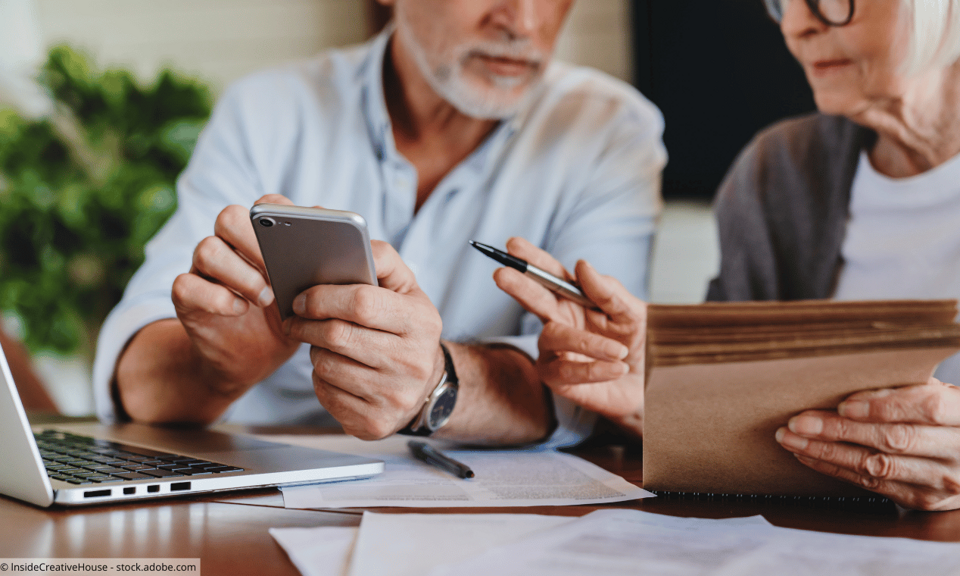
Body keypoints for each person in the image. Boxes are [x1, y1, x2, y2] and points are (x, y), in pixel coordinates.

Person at [92, 0, 666, 447]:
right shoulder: (266, 112)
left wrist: (436, 382)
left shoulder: (611, 132)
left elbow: (597, 382)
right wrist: (216, 367)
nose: (524, 20)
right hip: (256, 507)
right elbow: (133, 376)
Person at [497, 0, 960, 509]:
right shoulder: (777, 173)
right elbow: (767, 437)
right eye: (785, 3)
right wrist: (667, 399)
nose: (797, 25)